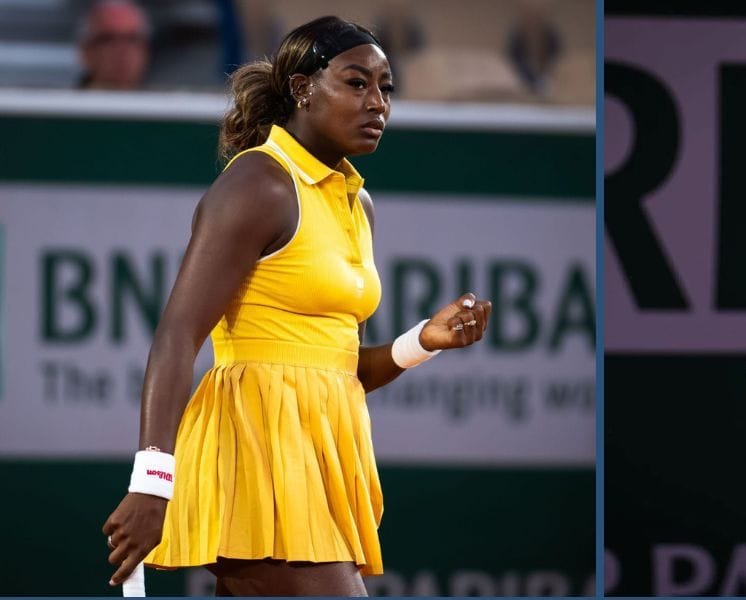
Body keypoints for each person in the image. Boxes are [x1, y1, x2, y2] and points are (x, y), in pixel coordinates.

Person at [101, 15, 492, 596]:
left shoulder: (358, 203)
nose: (377, 103)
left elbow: (340, 369)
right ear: (303, 88)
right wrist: (152, 481)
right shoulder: (259, 184)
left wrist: (420, 344)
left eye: (386, 87)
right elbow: (177, 336)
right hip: (253, 456)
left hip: (320, 460)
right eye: (356, 83)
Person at [77, 0, 150, 90]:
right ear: (85, 51)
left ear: (145, 50)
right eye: (108, 39)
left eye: (132, 39)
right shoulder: (63, 102)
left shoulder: (164, 102)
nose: (122, 50)